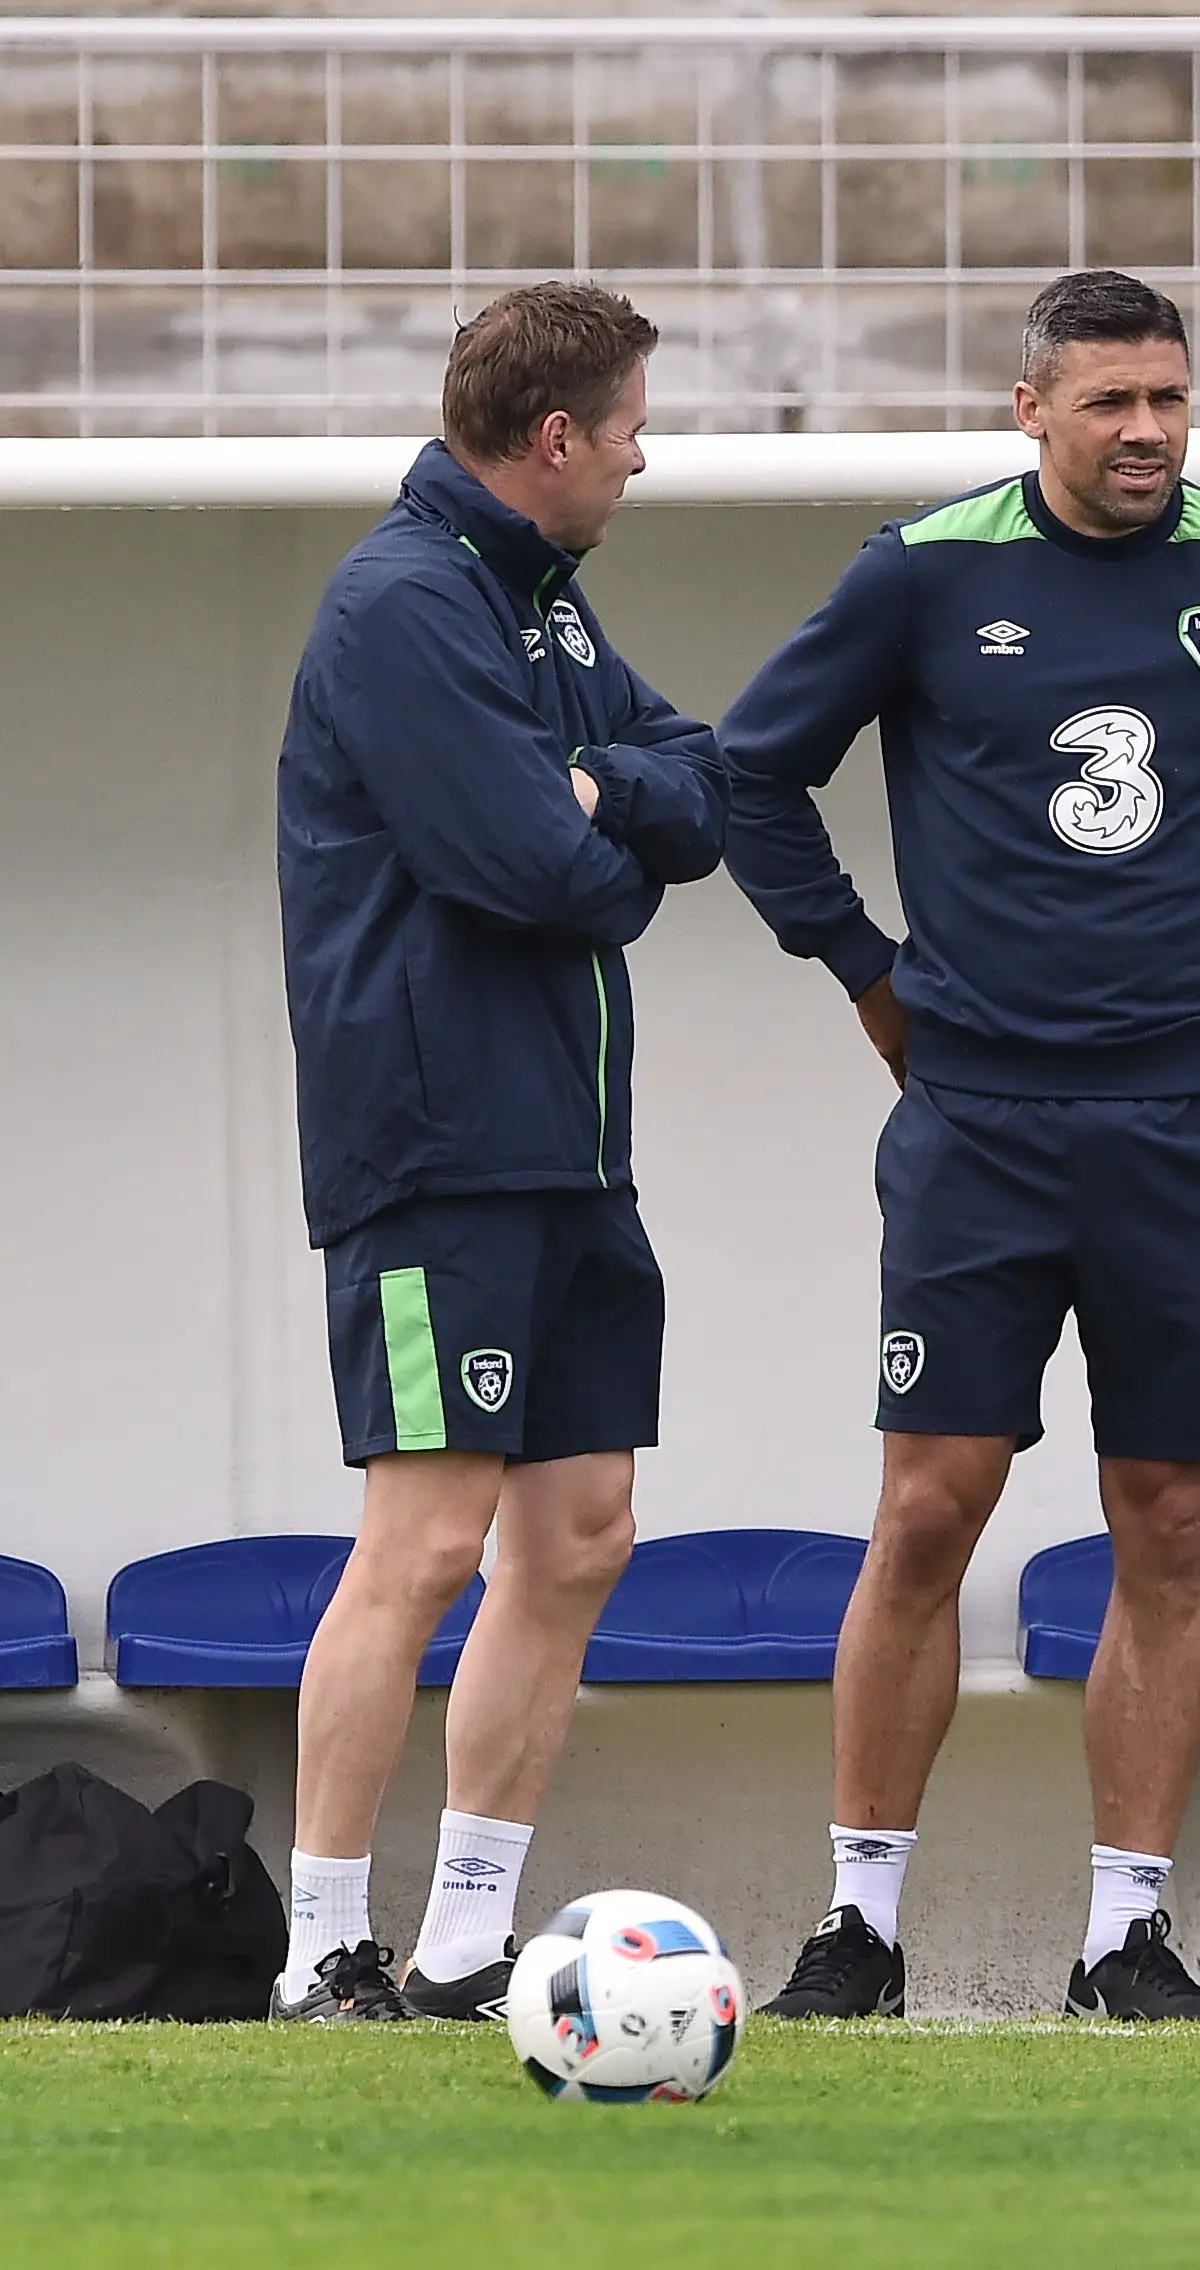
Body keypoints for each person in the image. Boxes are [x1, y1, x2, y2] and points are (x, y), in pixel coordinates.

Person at [721, 270, 1200, 2023]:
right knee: (927, 1511)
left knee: (1169, 1520)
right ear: (1029, 406)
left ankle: (1126, 1941)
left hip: (1199, 1125)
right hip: (976, 1120)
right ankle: (860, 1930)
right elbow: (755, 774)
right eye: (1113, 401)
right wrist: (867, 975)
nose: (1147, 433)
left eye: (1172, 401)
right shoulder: (923, 568)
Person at [271, 283, 728, 2022]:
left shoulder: (537, 602)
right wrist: (606, 823)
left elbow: (705, 775)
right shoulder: (403, 603)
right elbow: (535, 876)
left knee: (586, 1530)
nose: (636, 459)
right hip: (436, 1148)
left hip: (568, 1150)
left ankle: (467, 1938)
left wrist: (606, 793)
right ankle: (324, 1945)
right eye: (626, 433)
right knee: (429, 1542)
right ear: (554, 439)